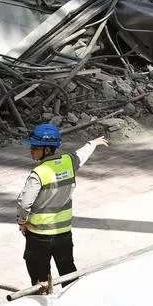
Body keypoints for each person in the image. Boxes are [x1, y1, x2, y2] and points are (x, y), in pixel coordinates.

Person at [15, 123, 109, 289]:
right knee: (69, 274)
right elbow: (81, 154)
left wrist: (22, 222)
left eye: (35, 147)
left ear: (47, 149)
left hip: (39, 236)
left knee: (40, 281)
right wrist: (92, 143)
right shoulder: (68, 162)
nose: (31, 150)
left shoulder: (38, 173)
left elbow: (24, 203)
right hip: (63, 234)